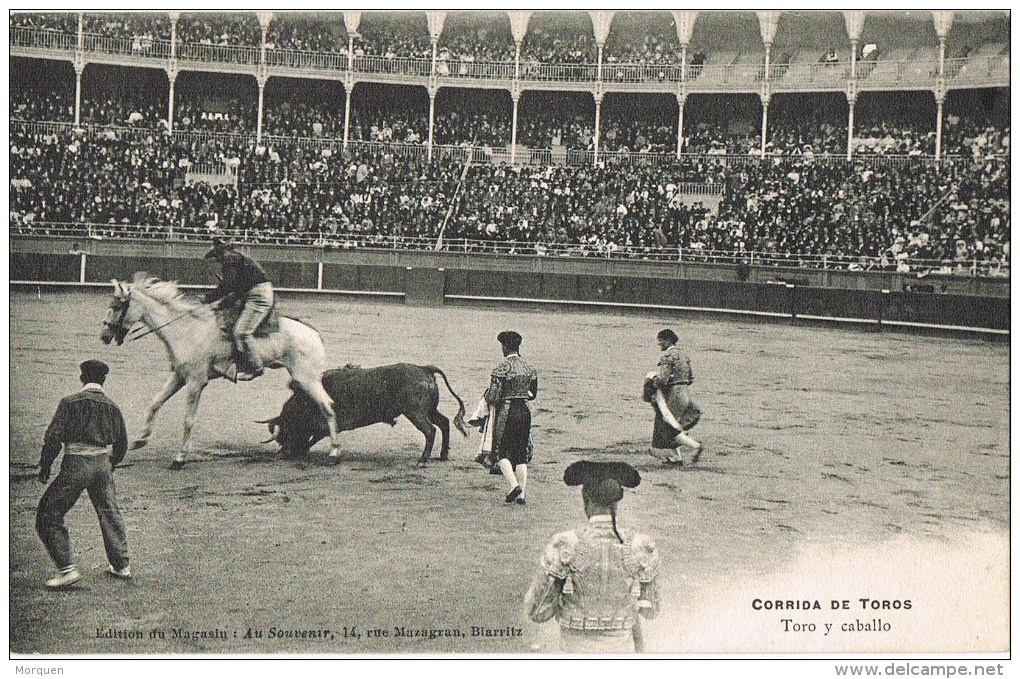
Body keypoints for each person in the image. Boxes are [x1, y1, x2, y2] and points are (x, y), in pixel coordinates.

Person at [525, 460, 660, 653]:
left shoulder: (566, 544)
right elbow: (651, 610)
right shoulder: (641, 545)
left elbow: (536, 611)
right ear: (616, 504)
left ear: (585, 501)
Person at [36, 360, 131, 589]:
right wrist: (110, 464)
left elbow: (53, 439)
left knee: (48, 514)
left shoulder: (69, 403)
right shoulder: (112, 406)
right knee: (109, 511)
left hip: (76, 464)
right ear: (104, 380)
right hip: (101, 465)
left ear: (81, 378)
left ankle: (67, 569)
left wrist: (46, 466)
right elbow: (122, 444)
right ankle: (121, 565)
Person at [477, 330, 538, 504]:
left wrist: (487, 396)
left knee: (501, 451)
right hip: (524, 411)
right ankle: (522, 495)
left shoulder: (501, 368)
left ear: (505, 346)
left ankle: (513, 486)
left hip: (507, 412)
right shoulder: (529, 368)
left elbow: (493, 397)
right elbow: (533, 394)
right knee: (520, 454)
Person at [203, 237, 274, 380]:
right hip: (253, 293)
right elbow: (238, 288)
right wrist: (223, 303)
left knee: (241, 332)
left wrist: (208, 298)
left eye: (216, 256)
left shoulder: (230, 261)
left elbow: (229, 286)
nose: (217, 260)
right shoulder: (235, 260)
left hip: (257, 295)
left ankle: (256, 366)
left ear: (221, 253)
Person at [645, 328, 703, 465]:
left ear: (668, 340)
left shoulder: (667, 356)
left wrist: (651, 379)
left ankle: (696, 446)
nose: (659, 344)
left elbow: (663, 380)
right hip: (684, 393)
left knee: (668, 427)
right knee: (671, 425)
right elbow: (691, 378)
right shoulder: (684, 355)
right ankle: (677, 458)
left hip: (673, 394)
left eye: (661, 341)